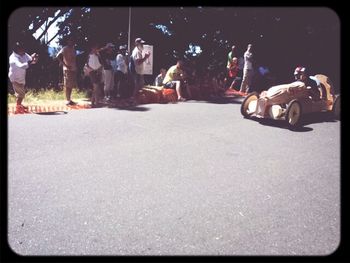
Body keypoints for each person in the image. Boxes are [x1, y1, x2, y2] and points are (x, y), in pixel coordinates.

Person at [8, 42, 38, 113]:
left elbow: (31, 61)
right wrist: (31, 61)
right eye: (22, 49)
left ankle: (19, 105)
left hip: (21, 77)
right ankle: (18, 108)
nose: (24, 51)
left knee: (20, 94)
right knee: (21, 93)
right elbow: (22, 66)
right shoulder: (13, 58)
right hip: (14, 78)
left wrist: (35, 59)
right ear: (17, 50)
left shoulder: (24, 54)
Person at [56, 36, 78, 106]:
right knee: (67, 85)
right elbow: (58, 56)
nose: (71, 42)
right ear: (68, 41)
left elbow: (74, 59)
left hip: (73, 68)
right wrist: (65, 65)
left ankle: (69, 99)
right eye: (70, 40)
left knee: (71, 85)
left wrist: (75, 67)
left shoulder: (74, 49)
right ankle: (67, 100)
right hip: (67, 69)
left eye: (72, 41)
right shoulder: (64, 48)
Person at [130, 38, 151, 104]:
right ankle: (134, 99)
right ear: (137, 44)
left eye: (142, 43)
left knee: (140, 85)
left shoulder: (139, 50)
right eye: (141, 43)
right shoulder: (137, 51)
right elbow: (138, 62)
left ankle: (137, 99)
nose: (142, 45)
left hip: (139, 71)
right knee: (137, 85)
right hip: (136, 71)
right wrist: (145, 57)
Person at [85, 43, 103, 107]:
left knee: (97, 87)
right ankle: (95, 102)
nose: (96, 49)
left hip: (97, 71)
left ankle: (94, 101)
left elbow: (100, 63)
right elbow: (88, 64)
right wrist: (92, 69)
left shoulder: (98, 55)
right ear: (92, 48)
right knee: (96, 86)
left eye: (96, 48)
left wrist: (99, 69)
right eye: (95, 48)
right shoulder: (90, 55)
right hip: (92, 72)